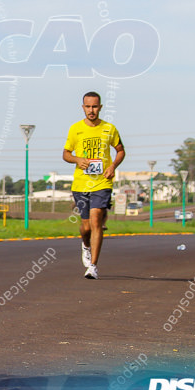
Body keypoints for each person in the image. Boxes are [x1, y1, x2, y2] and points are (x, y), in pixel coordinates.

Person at [62, 91, 125, 279]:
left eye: (95, 106)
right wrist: (77, 159)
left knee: (97, 219)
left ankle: (93, 266)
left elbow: (120, 151)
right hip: (81, 184)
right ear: (83, 107)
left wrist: (113, 166)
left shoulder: (109, 129)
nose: (91, 110)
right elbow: (65, 153)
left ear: (100, 107)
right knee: (86, 227)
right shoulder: (75, 129)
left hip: (102, 182)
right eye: (88, 107)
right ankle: (85, 245)